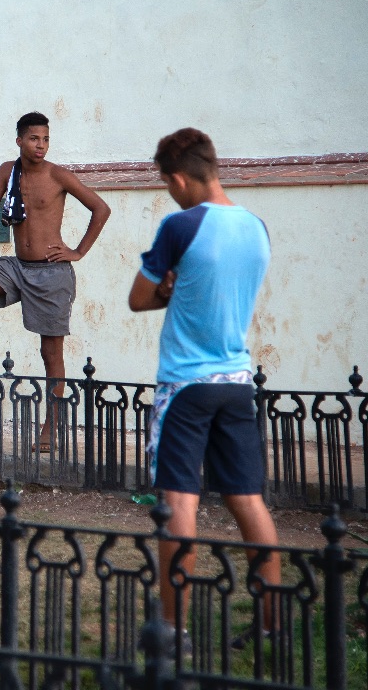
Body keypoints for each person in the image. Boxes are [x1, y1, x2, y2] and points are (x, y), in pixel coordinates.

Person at [128, 127, 279, 652]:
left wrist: (168, 290)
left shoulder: (181, 225)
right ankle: (271, 626)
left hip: (186, 385)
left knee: (178, 501)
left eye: (166, 184)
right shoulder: (256, 227)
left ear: (177, 179)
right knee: (248, 501)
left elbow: (139, 298)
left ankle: (173, 630)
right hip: (236, 382)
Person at [0, 111, 110, 452]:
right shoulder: (8, 171)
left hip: (51, 273)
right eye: (34, 138)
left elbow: (101, 209)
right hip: (17, 267)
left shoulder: (59, 175)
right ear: (20, 140)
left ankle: (51, 427)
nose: (41, 145)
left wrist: (78, 251)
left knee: (51, 353)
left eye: (46, 139)